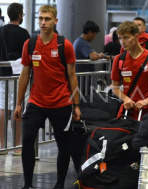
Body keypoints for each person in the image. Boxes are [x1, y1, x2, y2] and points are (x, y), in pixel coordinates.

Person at [13, 5, 81, 189]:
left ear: (55, 21)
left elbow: (72, 75)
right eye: (41, 18)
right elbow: (25, 74)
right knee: (27, 141)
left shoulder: (64, 45)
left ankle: (59, 184)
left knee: (63, 145)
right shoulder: (31, 44)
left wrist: (76, 105)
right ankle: (27, 185)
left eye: (47, 19)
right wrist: (19, 103)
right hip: (36, 101)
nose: (43, 22)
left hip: (61, 102)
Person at [111, 21, 148, 120]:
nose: (122, 42)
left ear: (136, 36)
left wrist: (146, 101)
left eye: (126, 37)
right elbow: (115, 87)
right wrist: (126, 99)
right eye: (120, 38)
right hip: (127, 113)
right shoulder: (119, 60)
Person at [0, 2, 30, 156]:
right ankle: (17, 146)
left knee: (3, 108)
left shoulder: (1, 30)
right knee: (18, 107)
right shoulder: (23, 33)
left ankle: (1, 145)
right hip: (19, 74)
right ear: (19, 15)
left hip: (2, 73)